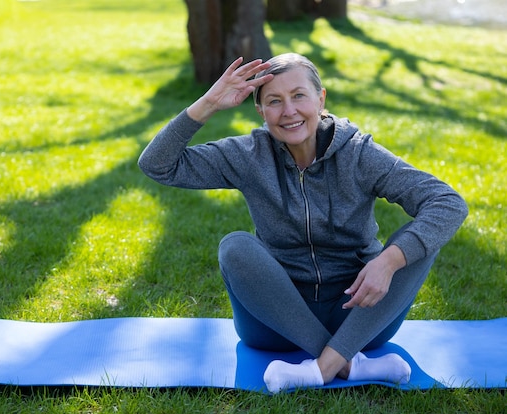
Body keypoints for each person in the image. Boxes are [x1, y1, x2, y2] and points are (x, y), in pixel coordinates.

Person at [138, 53, 468, 393]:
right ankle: (346, 364)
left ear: (321, 99)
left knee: (415, 245)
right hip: (276, 322)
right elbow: (158, 165)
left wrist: (388, 261)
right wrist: (208, 103)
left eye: (299, 96)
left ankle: (324, 366)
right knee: (235, 246)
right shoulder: (248, 155)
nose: (289, 111)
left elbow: (447, 203)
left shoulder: (358, 153)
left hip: (358, 315)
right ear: (261, 112)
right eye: (274, 102)